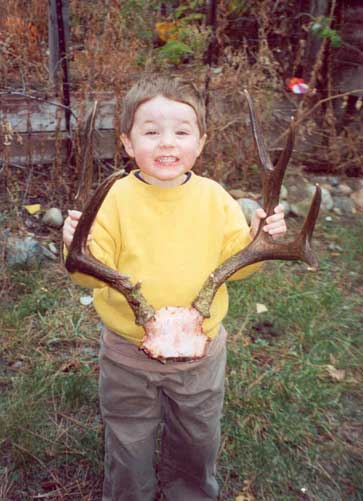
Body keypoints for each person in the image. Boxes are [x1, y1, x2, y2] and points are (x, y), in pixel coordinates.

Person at [63, 76, 287, 501]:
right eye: (151, 132)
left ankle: (190, 493)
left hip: (200, 354)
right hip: (128, 353)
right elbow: (86, 273)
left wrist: (258, 241)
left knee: (197, 438)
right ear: (128, 143)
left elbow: (236, 267)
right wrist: (75, 246)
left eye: (181, 132)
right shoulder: (112, 199)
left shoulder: (215, 199)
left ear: (201, 143)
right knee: (129, 442)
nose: (167, 143)